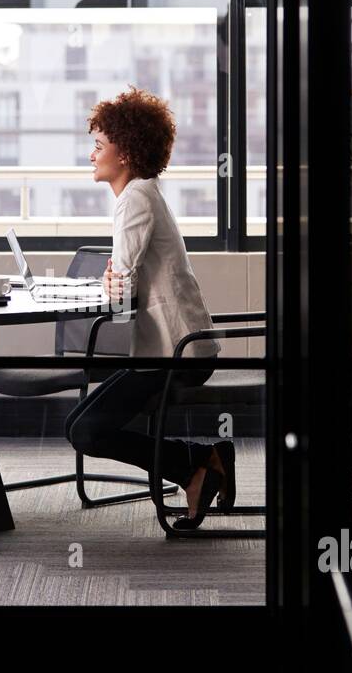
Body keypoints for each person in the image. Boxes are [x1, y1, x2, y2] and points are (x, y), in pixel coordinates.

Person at [64, 87, 234, 530]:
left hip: (177, 354)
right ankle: (197, 461)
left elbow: (120, 303)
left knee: (84, 430)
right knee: (77, 425)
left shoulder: (135, 199)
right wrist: (116, 282)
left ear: (126, 152)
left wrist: (113, 283)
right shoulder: (142, 193)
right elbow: (124, 287)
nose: (91, 155)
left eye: (99, 145)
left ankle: (196, 465)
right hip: (169, 351)